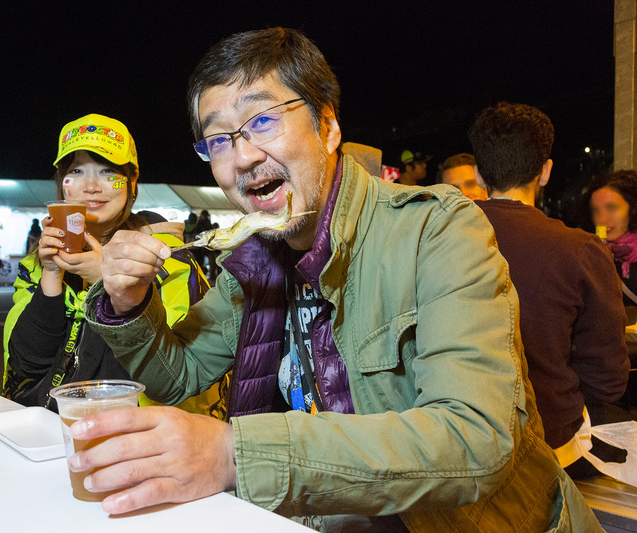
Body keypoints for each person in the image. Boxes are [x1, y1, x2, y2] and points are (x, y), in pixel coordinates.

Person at [79, 28, 599, 530]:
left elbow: (475, 439)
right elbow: (178, 376)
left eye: (262, 121)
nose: (242, 156)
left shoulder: (435, 229)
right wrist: (128, 303)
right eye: (218, 139)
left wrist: (234, 453)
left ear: (328, 128)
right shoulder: (254, 260)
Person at [2, 113, 227, 419]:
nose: (91, 186)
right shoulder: (35, 265)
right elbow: (26, 367)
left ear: (132, 182)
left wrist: (116, 289)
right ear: (61, 184)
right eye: (77, 170)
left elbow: (174, 375)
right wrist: (51, 277)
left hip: (137, 436)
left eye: (107, 171)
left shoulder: (168, 259)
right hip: (48, 427)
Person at [468, 101, 630, 478]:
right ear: (545, 171)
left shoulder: (433, 239)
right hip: (550, 448)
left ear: (478, 173)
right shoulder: (581, 250)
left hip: (458, 444)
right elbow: (609, 379)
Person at [589, 169, 637, 311]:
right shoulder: (595, 254)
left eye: (611, 208)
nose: (602, 218)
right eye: (597, 210)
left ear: (633, 208)